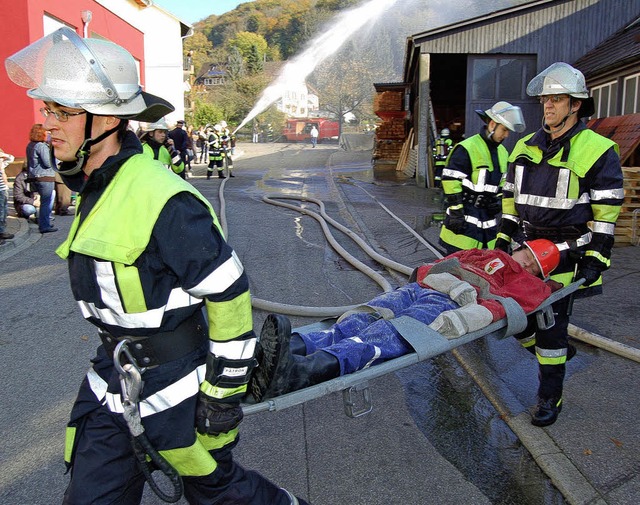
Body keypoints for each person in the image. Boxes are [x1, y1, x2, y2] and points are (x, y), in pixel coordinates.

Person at [6, 27, 306, 505]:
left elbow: (229, 296)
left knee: (217, 493)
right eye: (49, 110)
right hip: (114, 379)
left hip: (178, 385)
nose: (49, 124)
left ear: (106, 119)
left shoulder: (162, 197)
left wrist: (221, 400)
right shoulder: (98, 187)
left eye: (63, 112)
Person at [249, 239, 561, 403]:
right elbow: (445, 261)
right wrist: (426, 273)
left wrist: (467, 316)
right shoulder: (488, 253)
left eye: (534, 264)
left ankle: (302, 371)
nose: (527, 262)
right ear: (520, 247)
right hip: (421, 287)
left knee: (388, 335)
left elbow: (513, 305)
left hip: (448, 298)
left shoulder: (528, 282)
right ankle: (286, 349)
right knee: (361, 318)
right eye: (527, 255)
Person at [495, 62, 624, 427]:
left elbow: (606, 210)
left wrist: (597, 257)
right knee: (514, 317)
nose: (547, 106)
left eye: (557, 99)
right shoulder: (523, 146)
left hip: (567, 252)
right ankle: (556, 350)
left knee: (551, 327)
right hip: (525, 248)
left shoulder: (598, 149)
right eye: (545, 100)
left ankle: (550, 398)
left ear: (576, 104)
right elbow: (509, 198)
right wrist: (503, 239)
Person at [439, 101, 526, 255]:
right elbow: (451, 181)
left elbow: (503, 183)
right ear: (492, 125)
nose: (506, 135)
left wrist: (499, 201)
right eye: (504, 130)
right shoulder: (467, 147)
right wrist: (456, 212)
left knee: (484, 267)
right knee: (457, 270)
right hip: (463, 222)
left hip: (488, 222)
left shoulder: (502, 152)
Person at [26, 123, 58, 233]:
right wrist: (57, 160)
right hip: (45, 177)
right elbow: (48, 163)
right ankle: (45, 225)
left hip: (34, 176)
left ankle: (42, 222)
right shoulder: (41, 146)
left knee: (41, 201)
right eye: (47, 132)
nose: (48, 134)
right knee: (46, 202)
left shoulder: (30, 145)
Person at [0, 148, 15, 242]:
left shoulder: (2, 165)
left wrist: (3, 156)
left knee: (4, 212)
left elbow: (11, 158)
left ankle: (2, 231)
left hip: (3, 190)